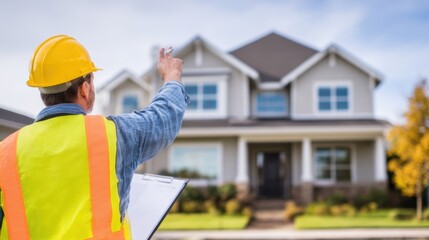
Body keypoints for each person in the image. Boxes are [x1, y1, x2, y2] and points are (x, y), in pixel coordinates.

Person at [0, 35, 189, 239]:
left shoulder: (5, 153)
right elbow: (162, 119)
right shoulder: (113, 135)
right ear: (85, 88)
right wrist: (172, 78)